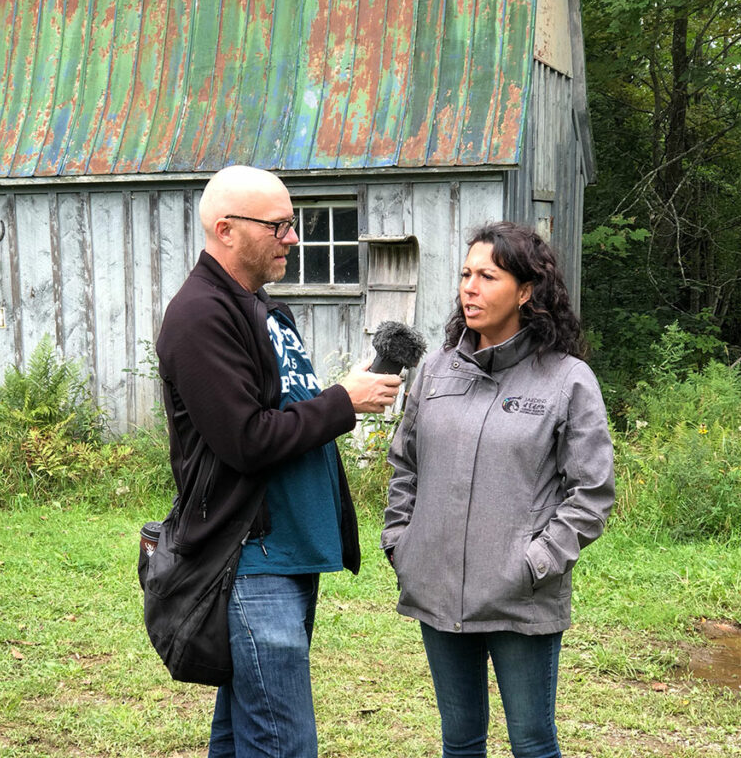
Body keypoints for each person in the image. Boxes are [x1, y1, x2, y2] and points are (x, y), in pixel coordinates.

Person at [156, 165, 402, 758]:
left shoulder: (263, 308)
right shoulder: (199, 317)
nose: (294, 238)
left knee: (244, 736)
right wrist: (343, 403)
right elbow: (246, 440)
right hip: (251, 561)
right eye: (280, 226)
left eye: (294, 224)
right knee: (282, 744)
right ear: (226, 230)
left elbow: (284, 412)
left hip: (288, 554)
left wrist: (341, 393)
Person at [381, 222, 615, 758]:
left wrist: (535, 562)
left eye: (487, 275)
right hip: (436, 587)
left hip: (520, 598)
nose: (470, 287)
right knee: (460, 744)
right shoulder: (437, 370)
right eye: (466, 274)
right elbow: (405, 466)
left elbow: (591, 492)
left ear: (526, 290)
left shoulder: (566, 379)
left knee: (533, 744)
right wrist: (402, 542)